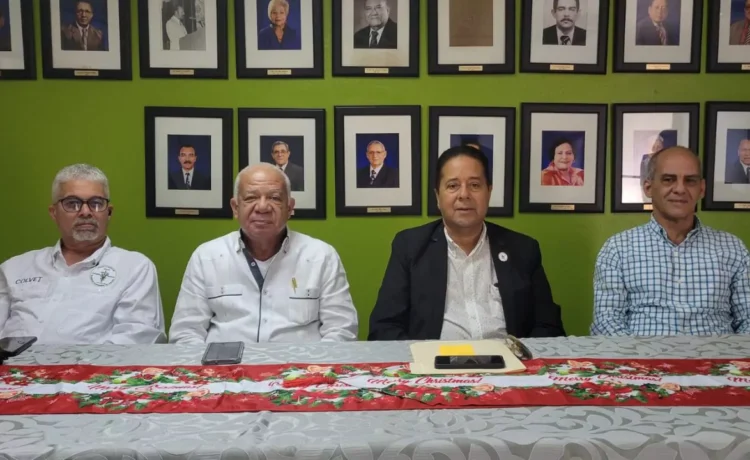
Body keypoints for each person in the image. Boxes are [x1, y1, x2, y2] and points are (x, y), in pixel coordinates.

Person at [368, 146, 566, 340]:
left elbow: (548, 327)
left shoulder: (523, 249)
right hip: (436, 359)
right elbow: (384, 328)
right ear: (438, 196)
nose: (464, 194)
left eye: (475, 185)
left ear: (489, 192)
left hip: (507, 358)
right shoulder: (409, 247)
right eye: (453, 186)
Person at [168, 163, 359, 344]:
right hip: (224, 366)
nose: (262, 207)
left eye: (274, 198)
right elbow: (186, 334)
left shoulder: (321, 256)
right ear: (235, 207)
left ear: (290, 207)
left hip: (302, 366)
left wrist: (312, 367)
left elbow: (341, 331)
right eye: (251, 198)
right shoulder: (206, 257)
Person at [590, 146, 750, 336]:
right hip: (641, 353)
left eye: (690, 181)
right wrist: (638, 356)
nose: (680, 189)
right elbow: (607, 322)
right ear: (648, 187)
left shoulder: (733, 248)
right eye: (668, 179)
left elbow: (747, 319)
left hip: (718, 354)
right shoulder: (617, 249)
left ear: (702, 189)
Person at [0, 164, 166, 345]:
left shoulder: (134, 268)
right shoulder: (14, 268)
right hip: (11, 363)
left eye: (96, 203)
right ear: (54, 213)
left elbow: (135, 339)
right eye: (72, 203)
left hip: (93, 364)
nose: (86, 212)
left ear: (109, 213)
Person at [639, 133, 665, 199]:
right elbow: (643, 179)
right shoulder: (645, 161)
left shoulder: (667, 161)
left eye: (658, 147)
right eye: (654, 147)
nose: (656, 149)